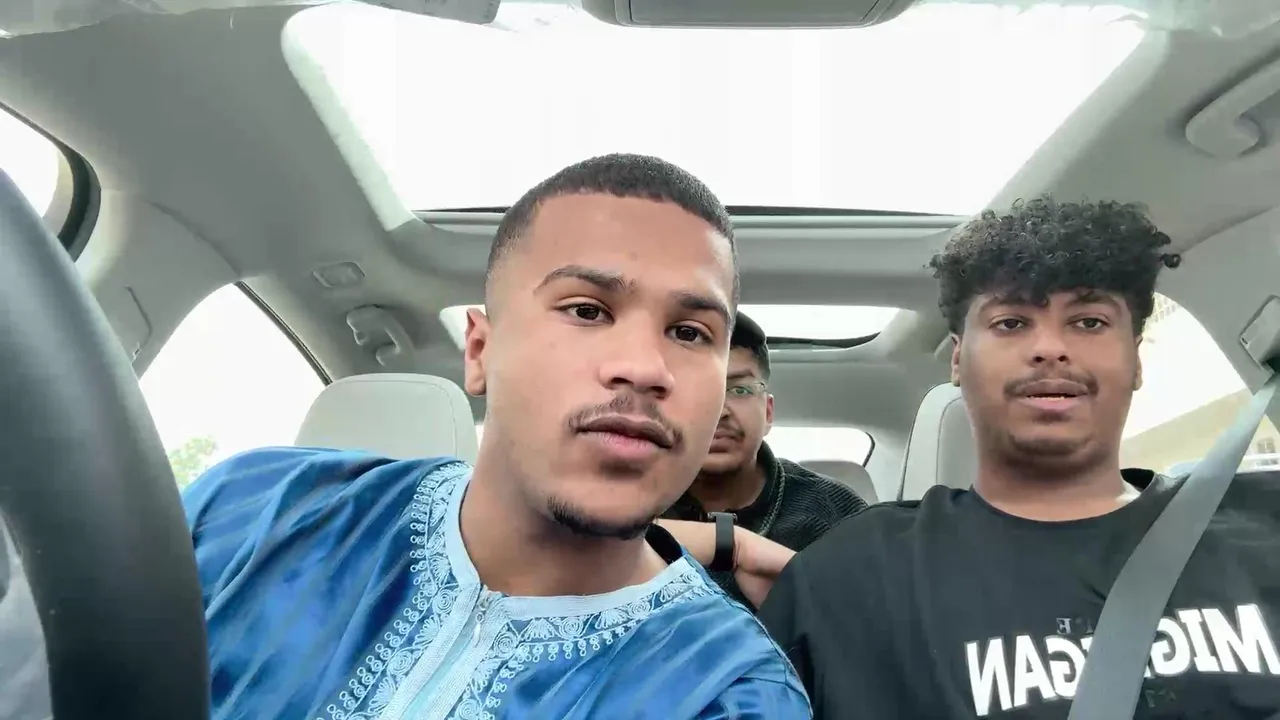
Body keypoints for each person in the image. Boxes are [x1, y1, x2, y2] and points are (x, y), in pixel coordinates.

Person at [183, 153, 810, 719]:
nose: (646, 368)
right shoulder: (255, 509)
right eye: (587, 310)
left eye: (690, 333)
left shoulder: (732, 694)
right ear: (480, 351)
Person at [757, 197, 1280, 717]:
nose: (1050, 348)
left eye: (1089, 322)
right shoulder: (851, 580)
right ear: (958, 359)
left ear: (1136, 359)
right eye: (1011, 323)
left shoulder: (1263, 525)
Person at [662, 311, 867, 608]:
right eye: (697, 390)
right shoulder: (630, 502)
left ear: (768, 413)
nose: (720, 411)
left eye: (740, 390)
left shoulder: (834, 511)